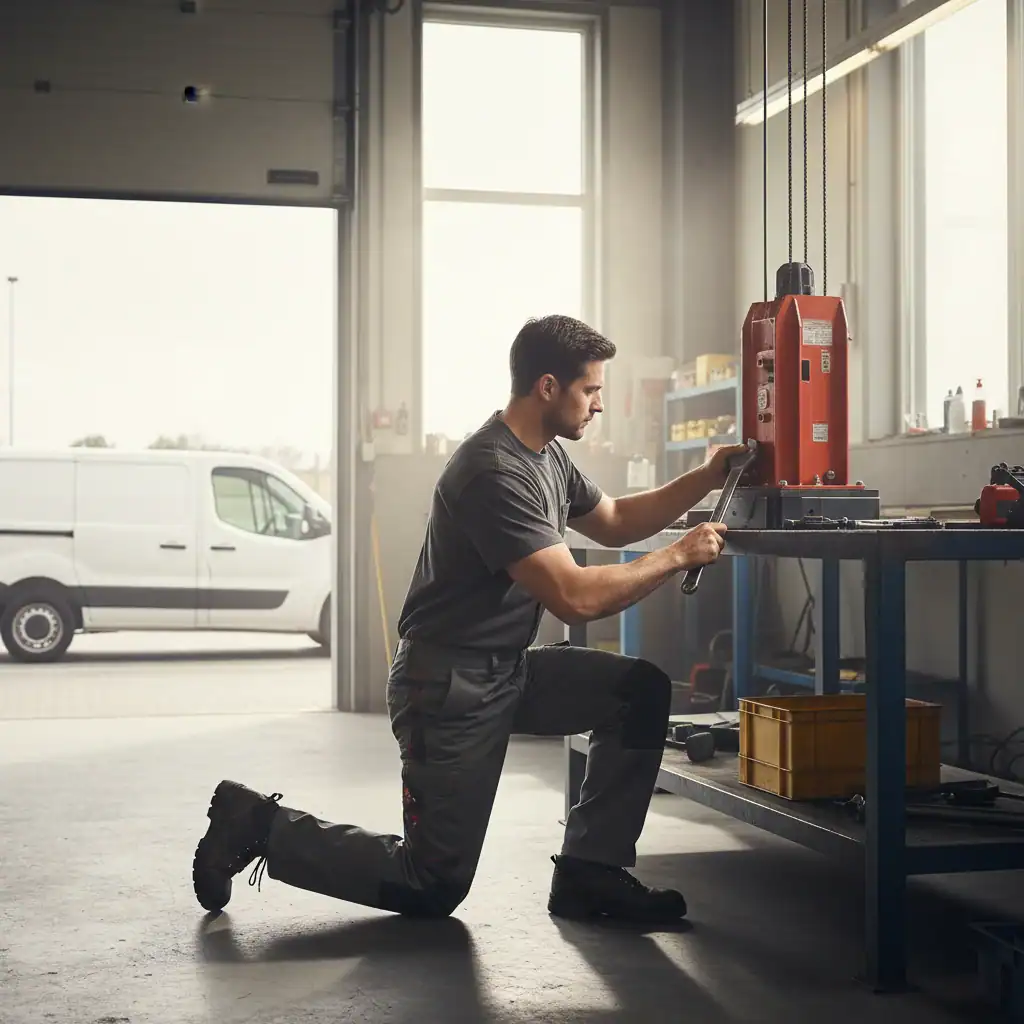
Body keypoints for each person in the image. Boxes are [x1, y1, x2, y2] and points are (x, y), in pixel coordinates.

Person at [192, 314, 747, 924]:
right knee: (431, 884)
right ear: (547, 387)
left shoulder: (548, 458)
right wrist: (676, 555)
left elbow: (612, 520)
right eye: (590, 390)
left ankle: (591, 874)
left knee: (638, 691)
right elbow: (575, 598)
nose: (599, 405)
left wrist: (706, 476)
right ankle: (256, 823)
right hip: (447, 686)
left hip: (505, 668)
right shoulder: (494, 471)